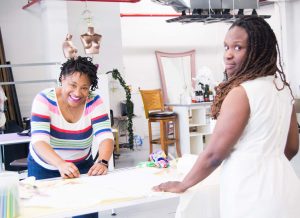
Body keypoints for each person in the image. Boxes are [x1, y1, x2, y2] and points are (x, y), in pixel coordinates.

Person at [153, 17, 300, 218]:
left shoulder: (242, 92)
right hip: (286, 188)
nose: (228, 55)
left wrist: (183, 184)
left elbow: (214, 154)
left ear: (257, 51)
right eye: (226, 47)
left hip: (251, 194)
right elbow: (292, 147)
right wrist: (269, 163)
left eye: (238, 48)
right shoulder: (283, 91)